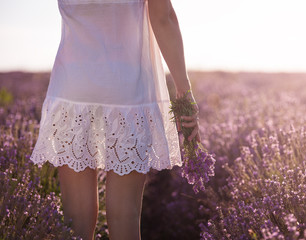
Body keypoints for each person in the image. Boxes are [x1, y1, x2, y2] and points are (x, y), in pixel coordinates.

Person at [29, 0, 200, 239]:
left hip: (72, 90)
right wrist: (184, 91)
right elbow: (164, 18)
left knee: (75, 220)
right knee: (125, 216)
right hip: (128, 92)